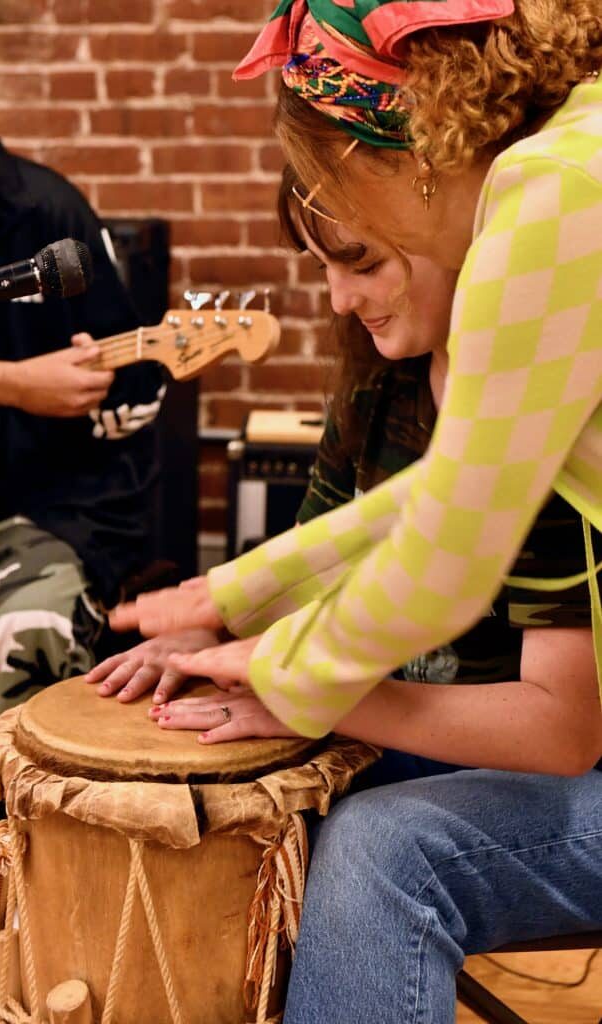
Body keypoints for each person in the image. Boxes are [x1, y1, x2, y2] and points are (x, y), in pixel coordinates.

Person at [102, 4, 602, 1021]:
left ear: (408, 154)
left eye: (347, 218)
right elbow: (452, 485)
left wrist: (290, 675)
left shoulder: (553, 193)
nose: (339, 289)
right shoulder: (567, 165)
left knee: (380, 848)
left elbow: (449, 556)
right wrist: (228, 597)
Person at [0, 46, 164, 907]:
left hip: (25, 510)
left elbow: (134, 377)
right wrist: (18, 384)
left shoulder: (39, 211)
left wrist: (102, 380)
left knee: (36, 628)